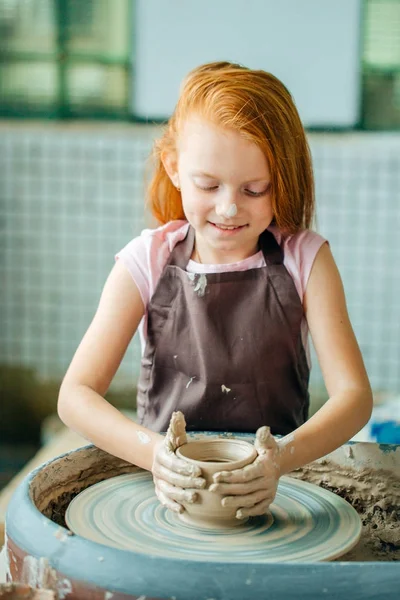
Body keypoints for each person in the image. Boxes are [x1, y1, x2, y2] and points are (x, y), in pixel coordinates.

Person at [58, 61, 373, 520]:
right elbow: (75, 395)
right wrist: (154, 456)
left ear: (282, 180)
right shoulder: (146, 260)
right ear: (175, 168)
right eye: (209, 185)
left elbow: (354, 398)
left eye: (254, 188)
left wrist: (279, 459)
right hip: (167, 493)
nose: (229, 207)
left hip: (273, 491)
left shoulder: (306, 259)